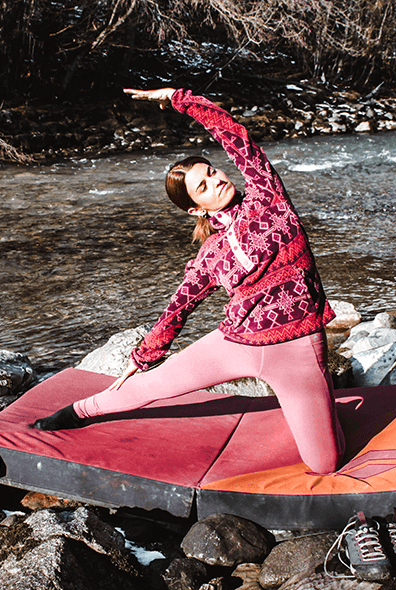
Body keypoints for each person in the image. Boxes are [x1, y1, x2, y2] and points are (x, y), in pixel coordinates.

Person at [33, 87, 344, 474]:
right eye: (203, 186)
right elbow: (178, 308)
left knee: (325, 464)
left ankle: (321, 403)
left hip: (296, 349)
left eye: (212, 172)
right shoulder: (209, 254)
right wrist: (142, 358)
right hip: (235, 341)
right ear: (196, 208)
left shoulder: (268, 198)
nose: (216, 181)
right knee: (148, 388)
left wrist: (181, 99)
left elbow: (236, 137)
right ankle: (78, 412)